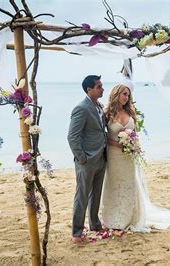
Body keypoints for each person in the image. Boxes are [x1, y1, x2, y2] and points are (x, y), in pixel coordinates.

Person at [101, 84, 170, 232]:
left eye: (128, 95)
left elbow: (135, 135)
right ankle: (113, 217)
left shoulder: (131, 113)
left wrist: (134, 146)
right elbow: (101, 136)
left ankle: (129, 217)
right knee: (113, 184)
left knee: (129, 184)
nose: (126, 97)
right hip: (113, 156)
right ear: (116, 94)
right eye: (124, 94)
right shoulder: (106, 113)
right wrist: (116, 143)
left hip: (128, 157)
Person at [67, 75, 107, 244]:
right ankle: (76, 232)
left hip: (101, 157)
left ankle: (95, 224)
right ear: (89, 89)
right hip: (87, 160)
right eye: (99, 86)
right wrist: (82, 158)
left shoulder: (99, 106)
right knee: (82, 196)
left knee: (96, 194)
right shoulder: (81, 108)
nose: (102, 89)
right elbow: (72, 137)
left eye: (101, 85)